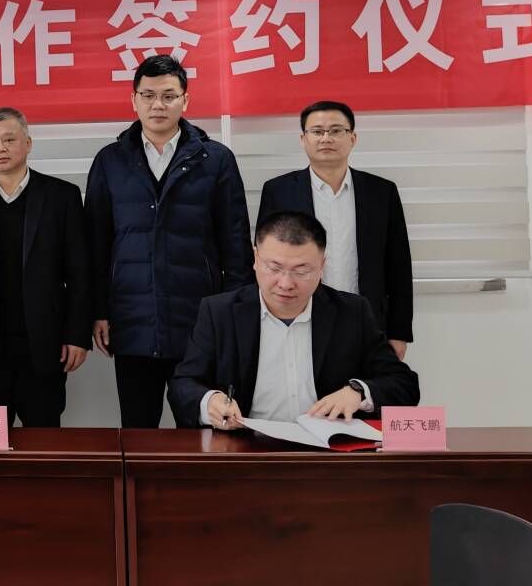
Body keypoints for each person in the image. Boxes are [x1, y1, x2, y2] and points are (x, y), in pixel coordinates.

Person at [85, 54, 253, 427]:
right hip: (132, 320)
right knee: (138, 431)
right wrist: (99, 310)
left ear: (185, 100)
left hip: (199, 322)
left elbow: (236, 244)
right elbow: (95, 246)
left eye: (168, 96)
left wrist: (235, 313)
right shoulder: (110, 161)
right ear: (134, 100)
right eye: (147, 95)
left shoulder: (216, 160)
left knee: (201, 432)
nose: (157, 105)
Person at [168, 210, 419, 429]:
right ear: (255, 259)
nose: (286, 283)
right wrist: (210, 401)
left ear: (322, 266)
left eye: (302, 271)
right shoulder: (219, 313)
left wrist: (358, 392)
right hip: (246, 448)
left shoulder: (352, 313)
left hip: (327, 451)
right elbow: (183, 386)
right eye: (274, 268)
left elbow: (403, 384)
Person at [0, 107, 91, 426]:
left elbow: (80, 273)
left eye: (9, 139)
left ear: (28, 143)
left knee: (44, 440)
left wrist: (78, 335)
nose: (0, 148)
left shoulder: (62, 196)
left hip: (44, 344)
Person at [258, 100, 414, 359]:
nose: (326, 138)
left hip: (367, 321)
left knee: (363, 385)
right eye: (317, 131)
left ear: (353, 138)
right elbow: (267, 263)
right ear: (303, 139)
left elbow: (399, 266)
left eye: (336, 130)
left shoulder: (381, 192)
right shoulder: (279, 191)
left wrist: (398, 332)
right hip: (298, 319)